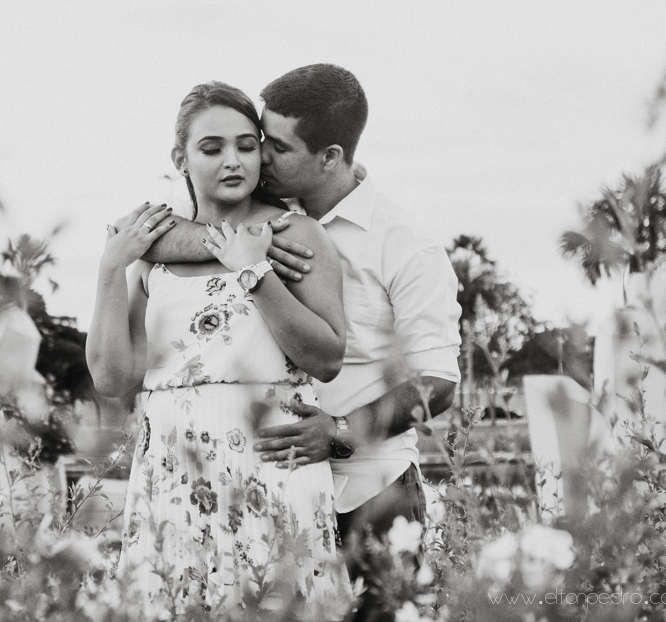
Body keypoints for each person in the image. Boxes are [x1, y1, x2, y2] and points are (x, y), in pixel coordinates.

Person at [140, 65, 462, 620]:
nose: (258, 157)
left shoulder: (405, 244)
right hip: (268, 488)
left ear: (330, 157)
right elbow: (153, 233)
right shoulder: (267, 218)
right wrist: (245, 245)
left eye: (277, 147)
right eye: (259, 140)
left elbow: (438, 383)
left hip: (369, 493)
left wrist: (339, 432)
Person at [86, 81, 353, 615]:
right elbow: (113, 379)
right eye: (212, 148)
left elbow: (327, 358)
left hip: (269, 464)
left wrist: (255, 272)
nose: (233, 161)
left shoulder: (296, 234)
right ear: (180, 158)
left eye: (246, 146)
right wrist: (111, 266)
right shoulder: (150, 254)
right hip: (171, 474)